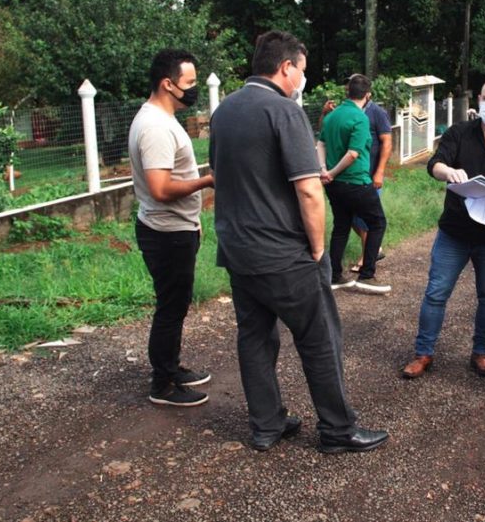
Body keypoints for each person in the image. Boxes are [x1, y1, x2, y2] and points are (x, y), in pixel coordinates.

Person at [209, 30, 388, 453]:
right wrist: (319, 249)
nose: (302, 79)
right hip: (283, 253)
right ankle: (338, 430)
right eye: (302, 71)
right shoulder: (283, 111)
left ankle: (266, 425)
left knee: (254, 337)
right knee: (320, 337)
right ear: (285, 67)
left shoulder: (224, 111)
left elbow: (220, 176)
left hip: (237, 249)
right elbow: (309, 190)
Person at [401, 78, 485, 379]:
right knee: (436, 292)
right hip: (454, 232)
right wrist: (448, 171)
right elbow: (435, 164)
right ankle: (423, 353)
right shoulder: (459, 133)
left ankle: (481, 353)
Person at [128, 48, 215, 407]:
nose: (193, 89)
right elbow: (161, 189)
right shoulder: (155, 127)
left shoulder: (162, 119)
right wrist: (207, 181)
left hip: (175, 228)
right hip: (166, 233)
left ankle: (171, 366)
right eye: (189, 82)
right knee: (170, 307)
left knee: (176, 306)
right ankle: (162, 385)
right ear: (168, 83)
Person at [316, 74, 390, 293]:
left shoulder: (332, 115)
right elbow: (353, 153)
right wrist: (333, 171)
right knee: (377, 223)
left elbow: (320, 144)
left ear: (347, 92)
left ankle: (335, 275)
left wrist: (325, 171)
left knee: (341, 225)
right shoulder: (360, 118)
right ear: (367, 95)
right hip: (356, 181)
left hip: (334, 185)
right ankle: (367, 275)